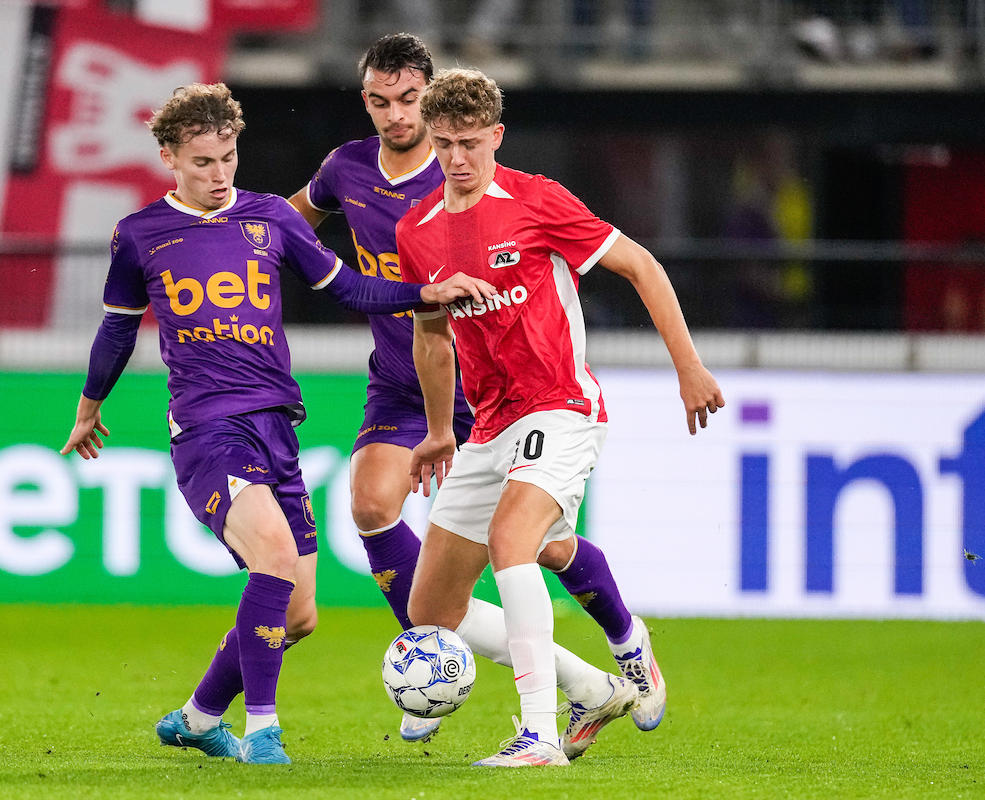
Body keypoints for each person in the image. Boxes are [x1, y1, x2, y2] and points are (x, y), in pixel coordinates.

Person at [59, 83, 492, 766]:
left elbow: (348, 287)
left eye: (228, 157)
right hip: (208, 429)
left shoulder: (270, 218)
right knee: (276, 561)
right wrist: (90, 407)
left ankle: (198, 719)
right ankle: (262, 730)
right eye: (202, 162)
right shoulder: (140, 234)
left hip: (275, 427)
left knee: (298, 615)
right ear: (169, 157)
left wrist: (422, 293)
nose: (219, 174)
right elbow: (117, 329)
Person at [289, 33, 649, 754]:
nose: (396, 115)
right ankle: (438, 661)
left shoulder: (473, 174)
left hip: (498, 389)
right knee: (374, 508)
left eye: (409, 100)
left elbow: (616, 263)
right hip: (410, 380)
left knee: (540, 545)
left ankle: (617, 644)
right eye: (380, 101)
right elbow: (289, 222)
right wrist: (236, 240)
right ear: (365, 101)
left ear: (434, 100)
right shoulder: (347, 169)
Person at [400, 68, 724, 767]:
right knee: (431, 611)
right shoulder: (415, 230)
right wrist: (439, 429)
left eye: (470, 143)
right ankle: (593, 687)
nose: (456, 158)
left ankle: (538, 735)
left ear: (497, 136)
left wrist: (689, 367)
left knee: (513, 541)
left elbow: (641, 265)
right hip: (488, 425)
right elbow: (430, 336)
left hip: (561, 405)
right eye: (444, 143)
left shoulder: (537, 200)